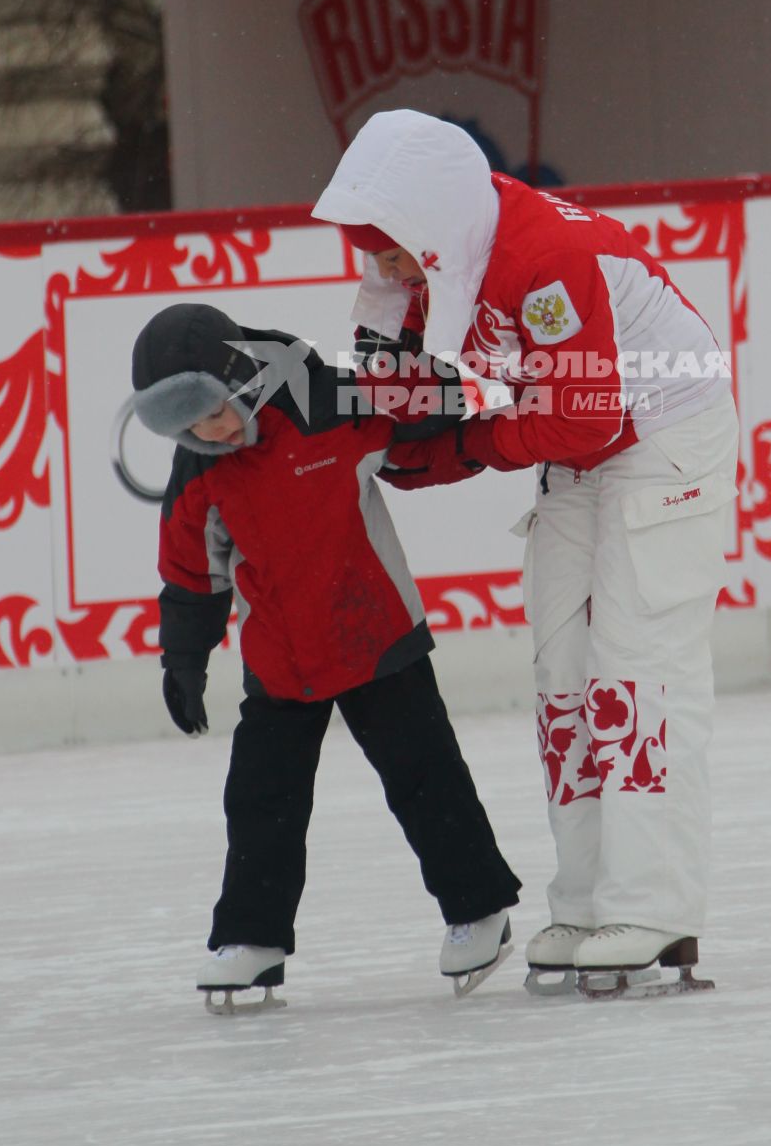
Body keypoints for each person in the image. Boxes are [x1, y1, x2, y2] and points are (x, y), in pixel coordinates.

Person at [312, 110, 739, 997]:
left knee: (635, 670)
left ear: (431, 222)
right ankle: (586, 902)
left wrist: (459, 446)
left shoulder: (542, 259)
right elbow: (387, 378)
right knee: (564, 674)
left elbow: (584, 413)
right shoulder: (425, 259)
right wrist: (385, 430)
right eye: (374, 252)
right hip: (578, 448)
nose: (383, 268)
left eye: (391, 251)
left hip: (662, 438)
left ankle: (653, 906)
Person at [129, 300, 520, 1006]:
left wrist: (436, 382)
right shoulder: (201, 467)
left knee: (425, 778)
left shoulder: (319, 398)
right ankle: (252, 938)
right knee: (260, 802)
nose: (205, 431)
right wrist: (183, 661)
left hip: (375, 638)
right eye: (183, 423)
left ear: (239, 377)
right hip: (280, 662)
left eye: (210, 410)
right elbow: (191, 572)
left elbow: (423, 411)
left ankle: (478, 908)